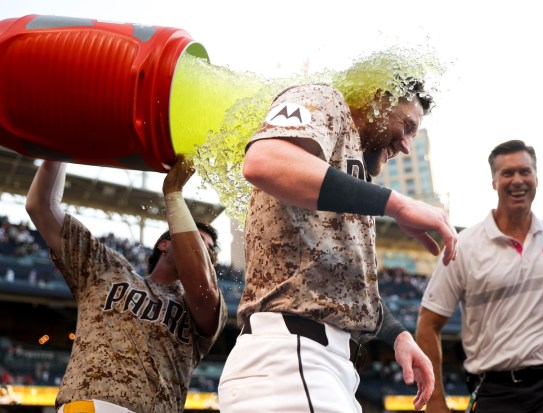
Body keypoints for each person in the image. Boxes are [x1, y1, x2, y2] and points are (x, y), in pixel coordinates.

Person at [217, 77, 458, 413]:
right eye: (405, 126)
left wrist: (397, 334)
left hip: (314, 364)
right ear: (377, 98)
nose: (405, 145)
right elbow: (264, 160)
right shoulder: (322, 97)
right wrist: (398, 204)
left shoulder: (349, 169)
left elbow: (333, 282)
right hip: (293, 357)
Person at [416, 140, 543, 413]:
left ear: (536, 177)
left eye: (525, 171)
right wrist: (435, 400)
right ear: (494, 182)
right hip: (495, 391)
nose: (517, 180)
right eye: (507, 173)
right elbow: (428, 323)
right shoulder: (463, 246)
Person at [25, 155, 227, 413]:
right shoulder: (107, 268)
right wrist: (60, 150)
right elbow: (41, 206)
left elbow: (202, 287)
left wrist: (174, 195)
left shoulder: (201, 305)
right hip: (88, 407)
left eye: (208, 251)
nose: (201, 251)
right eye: (197, 241)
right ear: (164, 244)